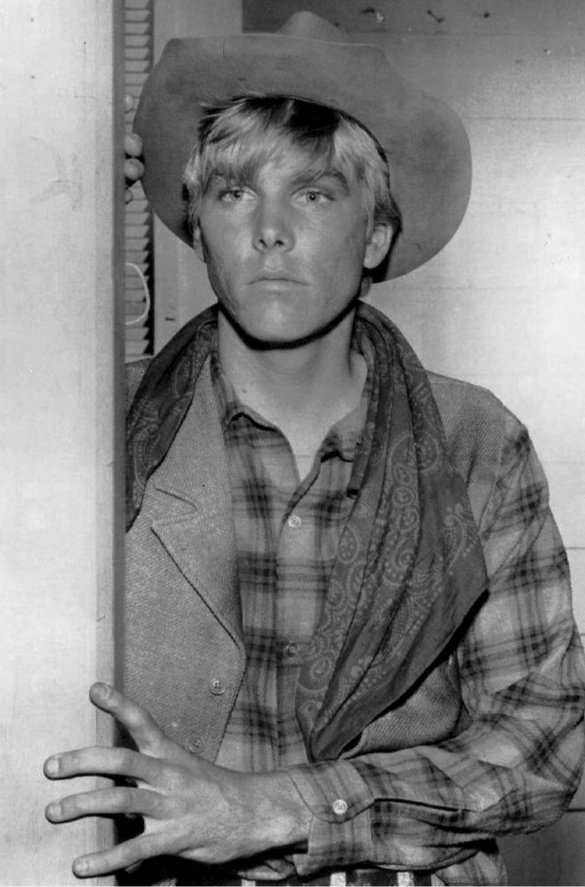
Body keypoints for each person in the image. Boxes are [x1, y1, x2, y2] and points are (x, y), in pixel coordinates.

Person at [44, 12, 585, 886]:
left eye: (314, 194)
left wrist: (288, 806)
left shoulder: (476, 441)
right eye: (234, 194)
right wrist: (37, 222)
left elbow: (543, 739)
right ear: (198, 227)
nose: (270, 230)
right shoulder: (91, 433)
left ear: (374, 235)